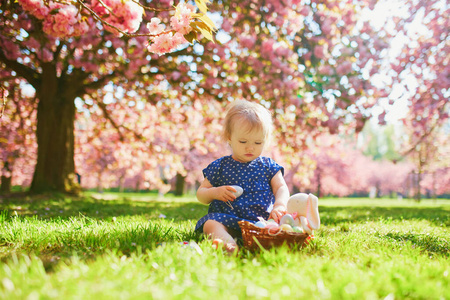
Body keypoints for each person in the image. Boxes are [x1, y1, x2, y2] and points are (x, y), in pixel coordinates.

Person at [195, 100, 290, 253]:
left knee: (280, 226)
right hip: (227, 220)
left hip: (260, 223)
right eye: (243, 141)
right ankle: (228, 244)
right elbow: (201, 194)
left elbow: (281, 187)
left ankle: (260, 241)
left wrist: (280, 205)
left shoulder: (268, 165)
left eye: (258, 142)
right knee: (210, 224)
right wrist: (215, 192)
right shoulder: (220, 166)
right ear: (229, 137)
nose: (250, 147)